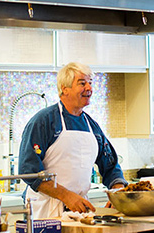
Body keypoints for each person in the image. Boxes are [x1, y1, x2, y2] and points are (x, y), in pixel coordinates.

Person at [17, 62, 127, 218]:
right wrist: (66, 196)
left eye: (90, 83)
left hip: (79, 212)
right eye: (82, 83)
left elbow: (110, 165)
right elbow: (29, 170)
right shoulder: (44, 121)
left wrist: (118, 193)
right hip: (45, 211)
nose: (89, 88)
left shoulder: (92, 126)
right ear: (64, 88)